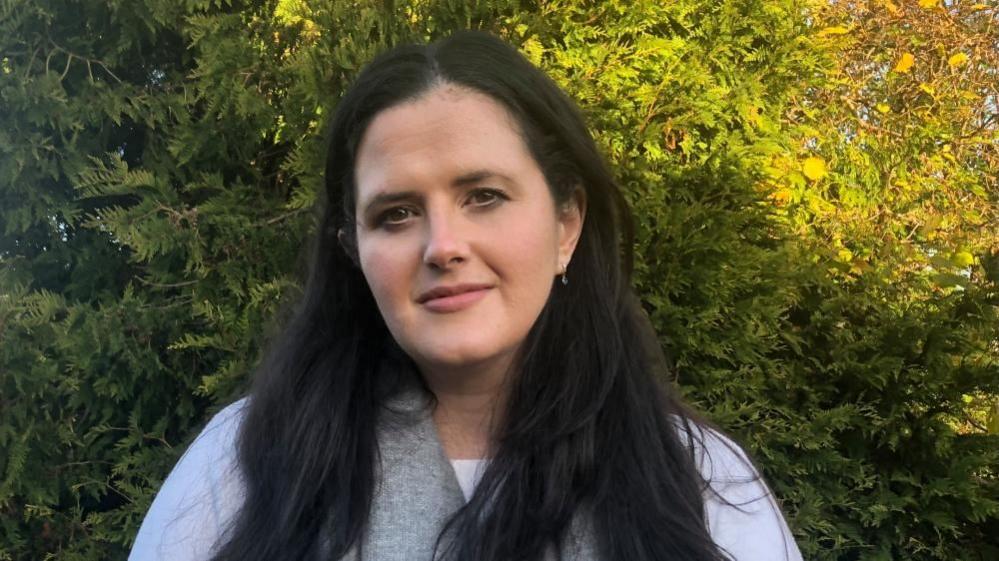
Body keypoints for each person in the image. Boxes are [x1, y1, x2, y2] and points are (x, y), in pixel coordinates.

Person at [129, 30, 803, 561]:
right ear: (351, 249)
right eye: (395, 213)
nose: (442, 245)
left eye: (484, 196)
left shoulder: (697, 481)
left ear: (565, 222)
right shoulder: (243, 464)